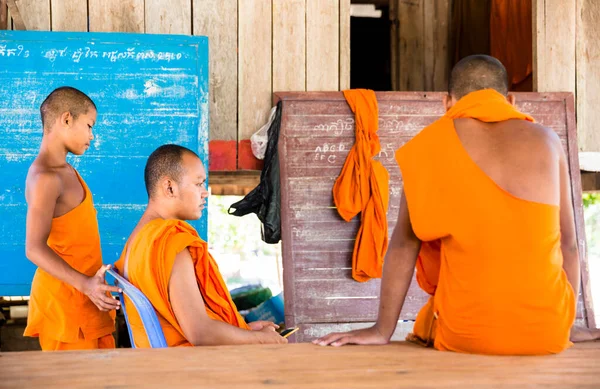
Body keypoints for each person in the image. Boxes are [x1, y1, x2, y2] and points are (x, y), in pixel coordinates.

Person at [315, 55, 600, 354]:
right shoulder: (548, 141)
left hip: (465, 335)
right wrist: (566, 324)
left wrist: (381, 330)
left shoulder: (426, 146)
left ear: (447, 103)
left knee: (430, 316)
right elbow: (569, 244)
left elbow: (403, 244)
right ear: (511, 100)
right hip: (549, 334)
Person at [115, 144, 286, 347]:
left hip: (158, 363)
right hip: (186, 368)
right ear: (169, 187)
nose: (205, 193)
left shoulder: (135, 242)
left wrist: (243, 330)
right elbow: (200, 333)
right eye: (198, 184)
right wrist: (260, 339)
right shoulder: (170, 241)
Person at [24, 86, 119, 351]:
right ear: (66, 119)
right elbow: (33, 248)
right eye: (89, 125)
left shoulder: (66, 171)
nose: (92, 136)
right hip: (66, 310)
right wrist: (86, 285)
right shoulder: (45, 177)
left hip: (87, 304)